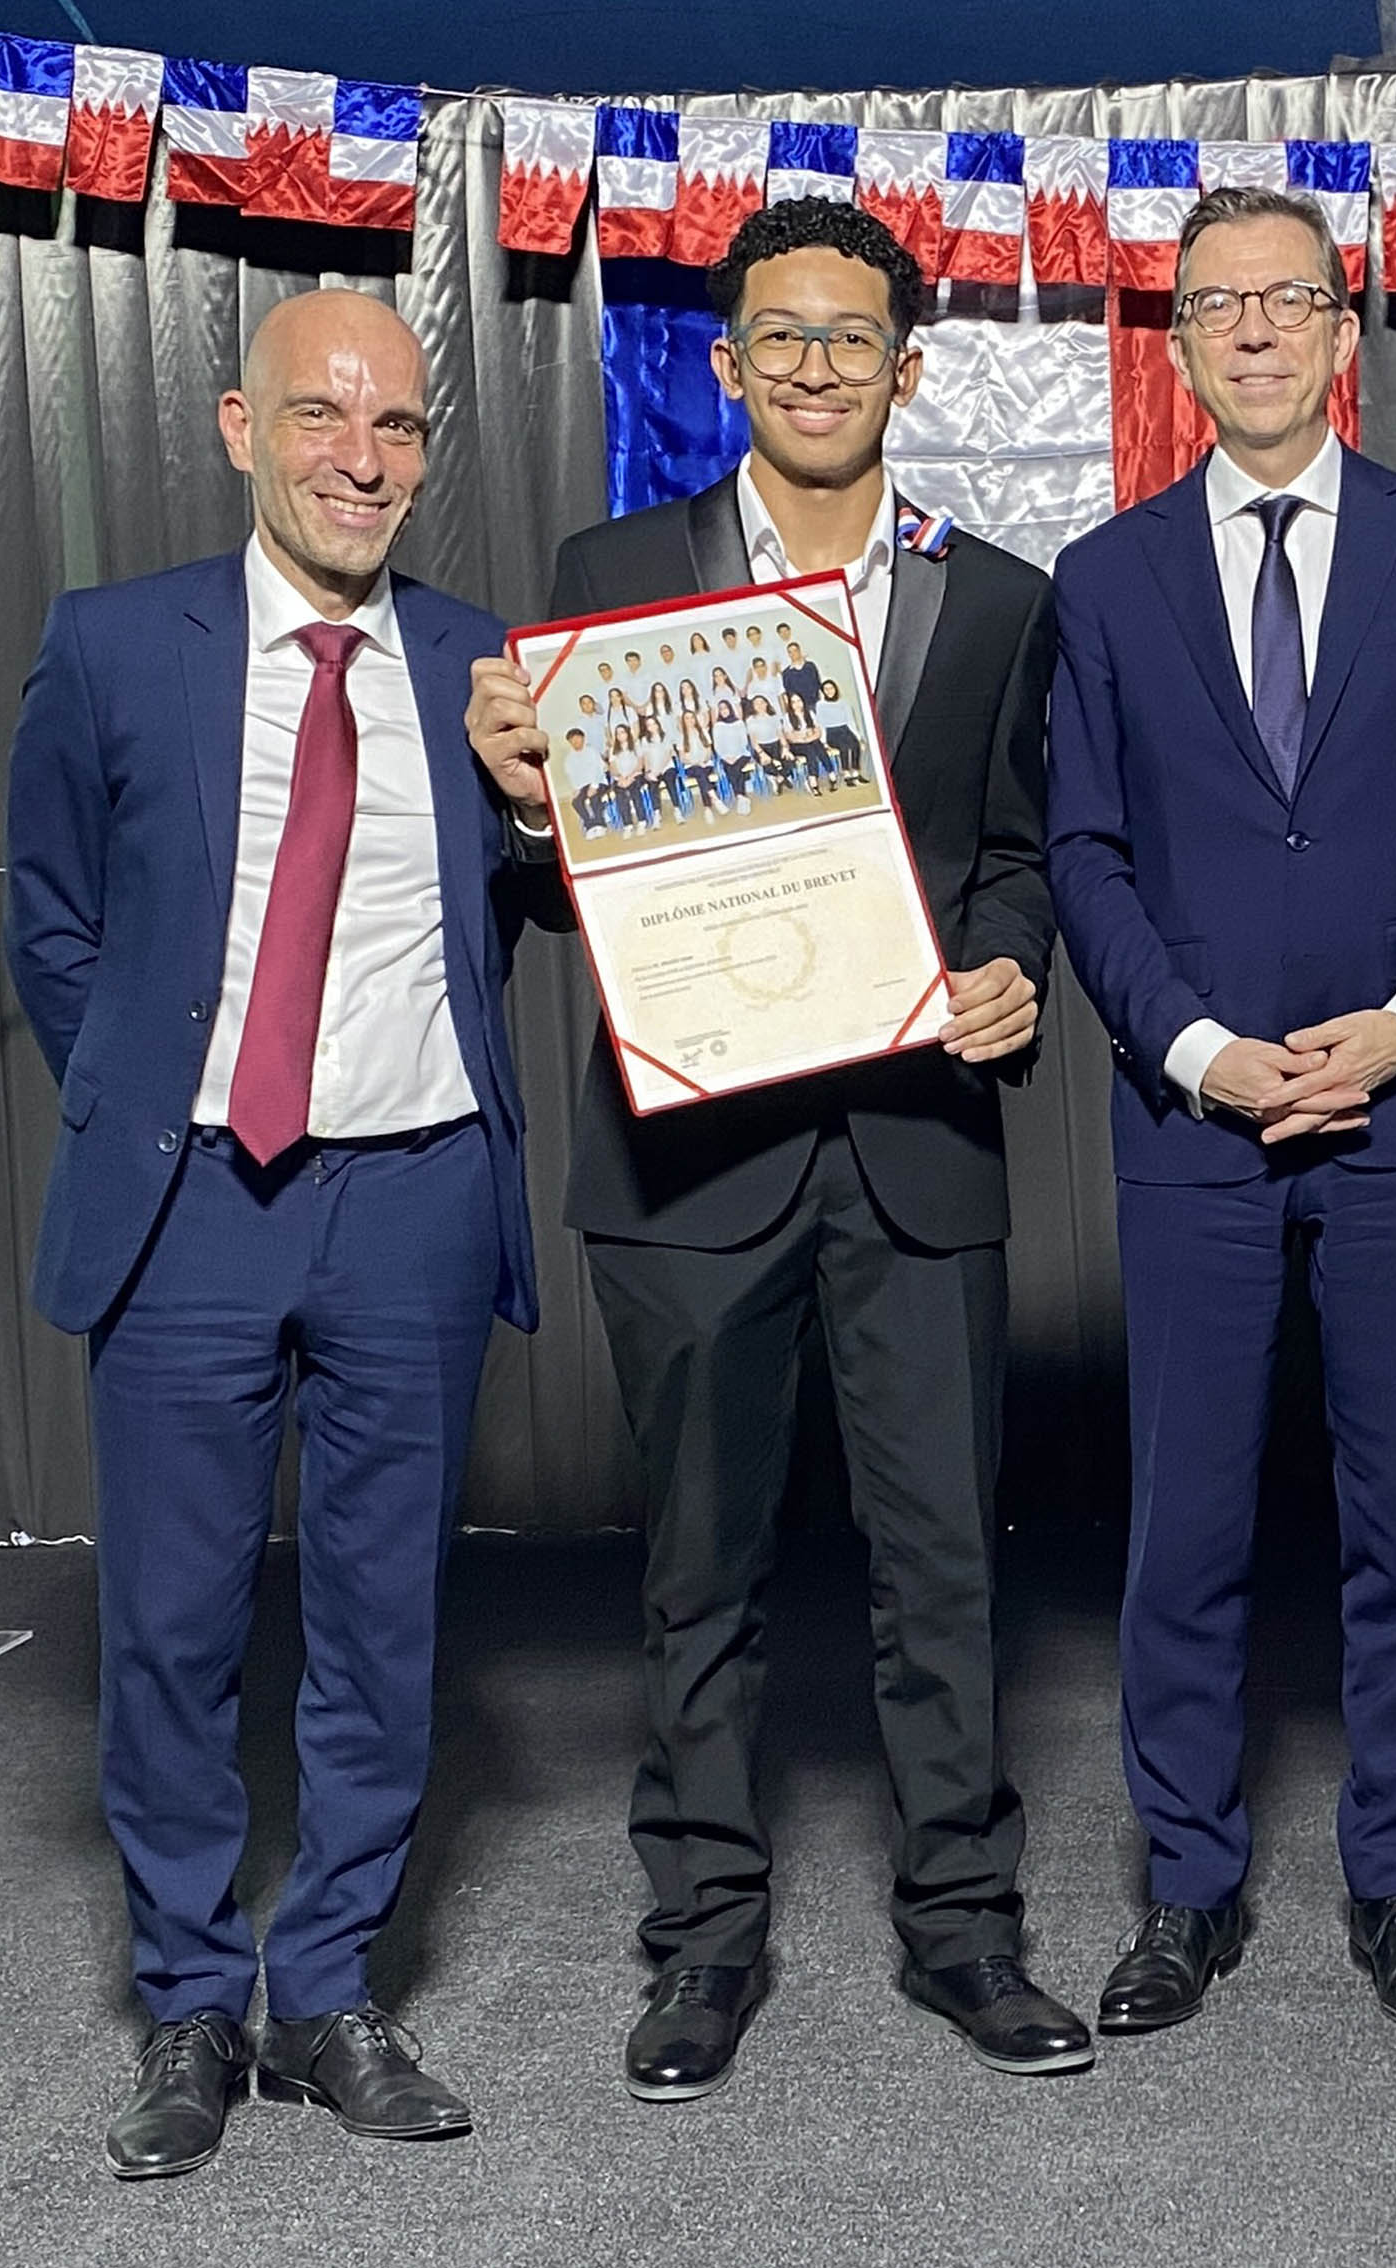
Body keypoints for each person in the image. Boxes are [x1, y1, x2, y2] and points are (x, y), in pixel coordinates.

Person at [464, 196, 1084, 2101]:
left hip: (915, 1149)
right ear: (728, 367)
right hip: (691, 1157)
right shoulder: (614, 572)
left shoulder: (997, 597)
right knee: (700, 1571)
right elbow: (560, 876)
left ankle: (965, 1931)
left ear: (911, 368)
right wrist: (525, 799)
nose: (819, 368)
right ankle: (704, 1943)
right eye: (782, 339)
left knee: (942, 1568)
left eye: (854, 338)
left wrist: (1011, 967)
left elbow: (1014, 852)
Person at [3, 289, 567, 2178]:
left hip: (414, 1197)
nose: (361, 457)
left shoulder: (486, 662)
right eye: (322, 415)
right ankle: (188, 2002)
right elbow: (54, 926)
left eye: (397, 426)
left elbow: (556, 899)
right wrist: (145, 1115)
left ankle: (326, 1990)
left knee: (382, 1625)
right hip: (194, 1202)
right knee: (170, 1630)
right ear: (243, 429)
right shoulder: (112, 645)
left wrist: (536, 815)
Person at [1045, 186, 1396, 2041]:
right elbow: (1083, 855)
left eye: (1288, 300)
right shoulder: (1107, 580)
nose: (1255, 330)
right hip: (1193, 1119)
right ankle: (1186, 1893)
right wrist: (1193, 1047)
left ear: (1346, 332)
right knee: (1183, 1530)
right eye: (1218, 305)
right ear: (1178, 348)